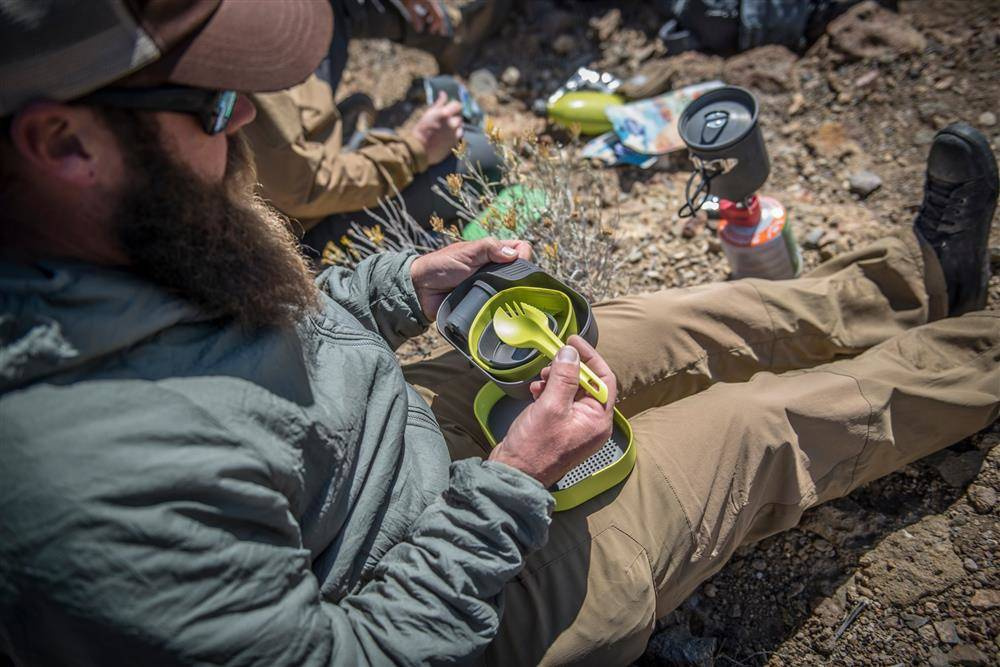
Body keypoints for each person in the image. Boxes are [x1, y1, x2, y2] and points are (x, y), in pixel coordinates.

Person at [0, 2, 997, 666]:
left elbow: (262, 332)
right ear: (64, 141)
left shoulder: (116, 235)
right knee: (761, 425)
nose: (243, 124)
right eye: (218, 105)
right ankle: (979, 354)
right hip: (479, 589)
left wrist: (400, 284)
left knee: (680, 322)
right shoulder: (75, 497)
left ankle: (917, 283)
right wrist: (513, 482)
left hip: (409, 427)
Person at [244, 0, 508, 260]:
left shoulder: (245, 24)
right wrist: (415, 149)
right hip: (303, 228)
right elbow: (307, 190)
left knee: (334, 7)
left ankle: (453, 38)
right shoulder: (243, 87)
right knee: (483, 157)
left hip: (292, 155)